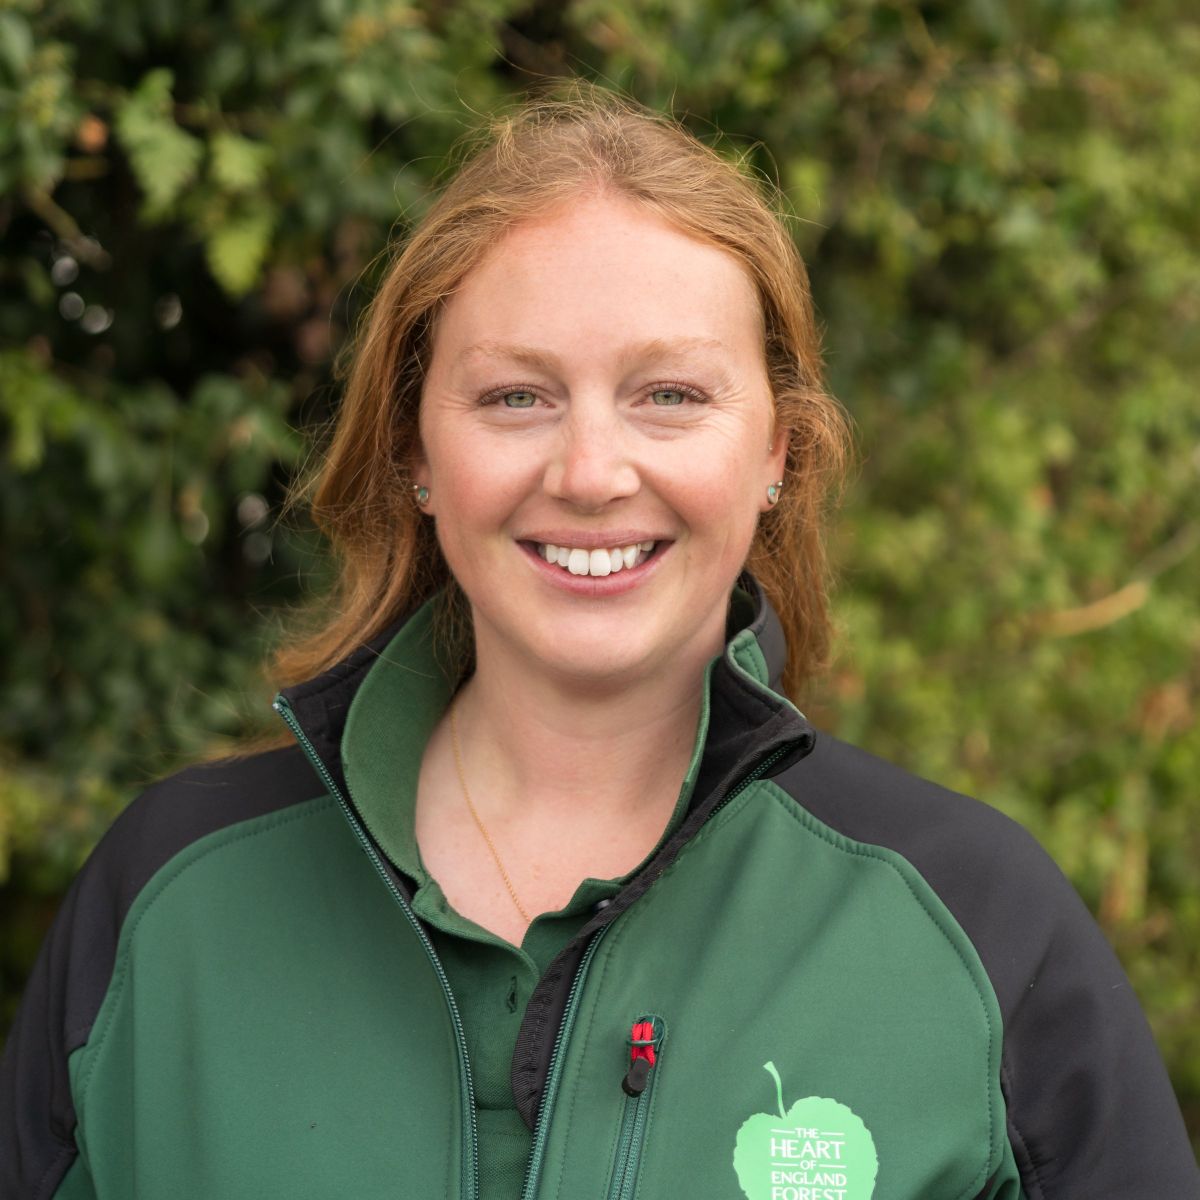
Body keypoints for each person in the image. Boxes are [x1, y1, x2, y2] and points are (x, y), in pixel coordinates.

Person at [2, 85, 1196, 1200]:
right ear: (415, 452)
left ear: (777, 450)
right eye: (515, 396)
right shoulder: (168, 908)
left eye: (670, 394)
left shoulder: (980, 929)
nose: (588, 473)